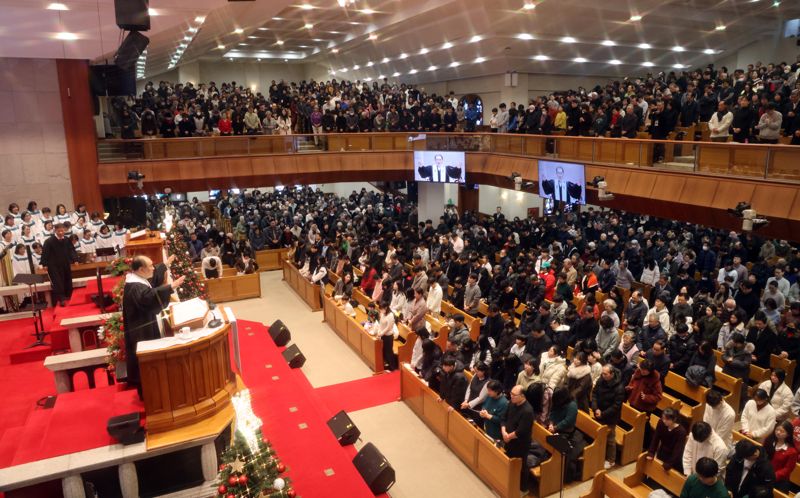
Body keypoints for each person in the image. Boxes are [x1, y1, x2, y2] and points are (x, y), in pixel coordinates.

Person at [122, 255, 185, 396]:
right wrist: (171, 287)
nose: (153, 268)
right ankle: (150, 395)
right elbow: (148, 297)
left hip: (143, 324)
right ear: (141, 269)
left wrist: (165, 264)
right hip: (141, 331)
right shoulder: (135, 287)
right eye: (150, 266)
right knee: (147, 363)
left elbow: (153, 281)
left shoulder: (138, 278)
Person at [591, 364, 625, 470]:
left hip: (610, 417)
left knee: (610, 438)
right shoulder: (601, 380)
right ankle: (599, 454)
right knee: (598, 434)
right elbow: (594, 394)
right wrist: (595, 408)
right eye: (602, 373)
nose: (603, 375)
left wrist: (603, 413)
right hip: (598, 412)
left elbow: (616, 406)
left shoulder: (619, 388)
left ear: (612, 374)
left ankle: (611, 460)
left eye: (605, 374)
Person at [502, 385, 534, 492]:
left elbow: (521, 431)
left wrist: (508, 436)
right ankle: (508, 484)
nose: (511, 396)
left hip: (520, 443)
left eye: (514, 395)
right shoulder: (512, 403)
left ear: (522, 396)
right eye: (511, 393)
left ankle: (523, 489)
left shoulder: (527, 411)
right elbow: (504, 418)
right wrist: (504, 432)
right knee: (508, 461)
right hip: (508, 438)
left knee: (521, 466)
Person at [547, 387, 583, 482]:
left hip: (566, 432)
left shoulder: (572, 405)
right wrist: (551, 423)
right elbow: (552, 413)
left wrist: (555, 427)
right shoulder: (558, 402)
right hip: (555, 429)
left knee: (565, 451)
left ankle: (563, 475)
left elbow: (568, 421)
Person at [40, 223, 79, 307]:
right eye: (59, 231)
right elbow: (45, 253)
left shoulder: (67, 240)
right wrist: (44, 264)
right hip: (53, 266)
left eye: (62, 231)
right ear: (55, 231)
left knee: (67, 279)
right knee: (57, 282)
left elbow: (71, 250)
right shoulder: (49, 241)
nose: (61, 233)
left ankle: (68, 296)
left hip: (65, 263)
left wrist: (75, 259)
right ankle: (61, 299)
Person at [648, 407, 687, 472]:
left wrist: (669, 464)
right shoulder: (661, 422)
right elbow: (655, 438)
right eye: (663, 418)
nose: (664, 421)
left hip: (674, 459)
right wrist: (651, 452)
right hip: (662, 452)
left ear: (674, 419)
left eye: (667, 419)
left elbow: (678, 450)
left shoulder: (681, 432)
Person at [764, 419, 799, 492]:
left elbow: (787, 469)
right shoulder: (769, 440)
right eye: (777, 429)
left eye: (782, 431)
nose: (778, 432)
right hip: (764, 474)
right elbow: (763, 456)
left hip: (779, 481)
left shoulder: (792, 451)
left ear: (788, 434)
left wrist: (773, 476)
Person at [376, 302, 398, 371]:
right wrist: (379, 331)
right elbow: (380, 324)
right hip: (383, 335)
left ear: (386, 308)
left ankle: (393, 367)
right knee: (383, 350)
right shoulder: (382, 314)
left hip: (388, 336)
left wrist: (381, 333)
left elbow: (388, 327)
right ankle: (387, 364)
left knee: (389, 351)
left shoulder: (390, 315)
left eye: (381, 309)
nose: (380, 310)